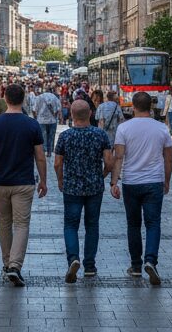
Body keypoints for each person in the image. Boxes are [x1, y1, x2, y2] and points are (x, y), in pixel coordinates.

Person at [0, 83, 47, 286]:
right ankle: (15, 265)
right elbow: (40, 157)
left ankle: (6, 263)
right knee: (21, 225)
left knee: (4, 223)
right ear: (24, 98)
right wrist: (43, 180)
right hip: (23, 182)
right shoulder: (32, 124)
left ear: (4, 98)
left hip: (0, 181)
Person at [110, 91, 172, 284]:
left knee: (134, 225)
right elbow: (168, 158)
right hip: (154, 181)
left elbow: (119, 156)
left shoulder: (124, 128)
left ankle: (136, 265)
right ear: (151, 107)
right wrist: (167, 181)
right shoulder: (161, 128)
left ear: (133, 107)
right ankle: (151, 260)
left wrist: (114, 181)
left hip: (131, 182)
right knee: (153, 224)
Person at [55, 99, 112, 282]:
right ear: (90, 114)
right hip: (94, 186)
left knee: (71, 225)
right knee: (92, 225)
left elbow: (57, 163)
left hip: (72, 187)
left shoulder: (65, 136)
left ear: (72, 115)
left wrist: (61, 180)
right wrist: (103, 174)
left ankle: (73, 258)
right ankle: (89, 265)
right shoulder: (100, 134)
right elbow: (109, 161)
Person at [32, 85, 62, 156]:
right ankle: (49, 152)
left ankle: (43, 151)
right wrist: (56, 116)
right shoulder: (54, 97)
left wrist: (36, 117)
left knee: (42, 135)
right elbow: (59, 108)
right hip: (52, 120)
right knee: (51, 136)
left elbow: (33, 110)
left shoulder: (39, 97)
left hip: (41, 120)